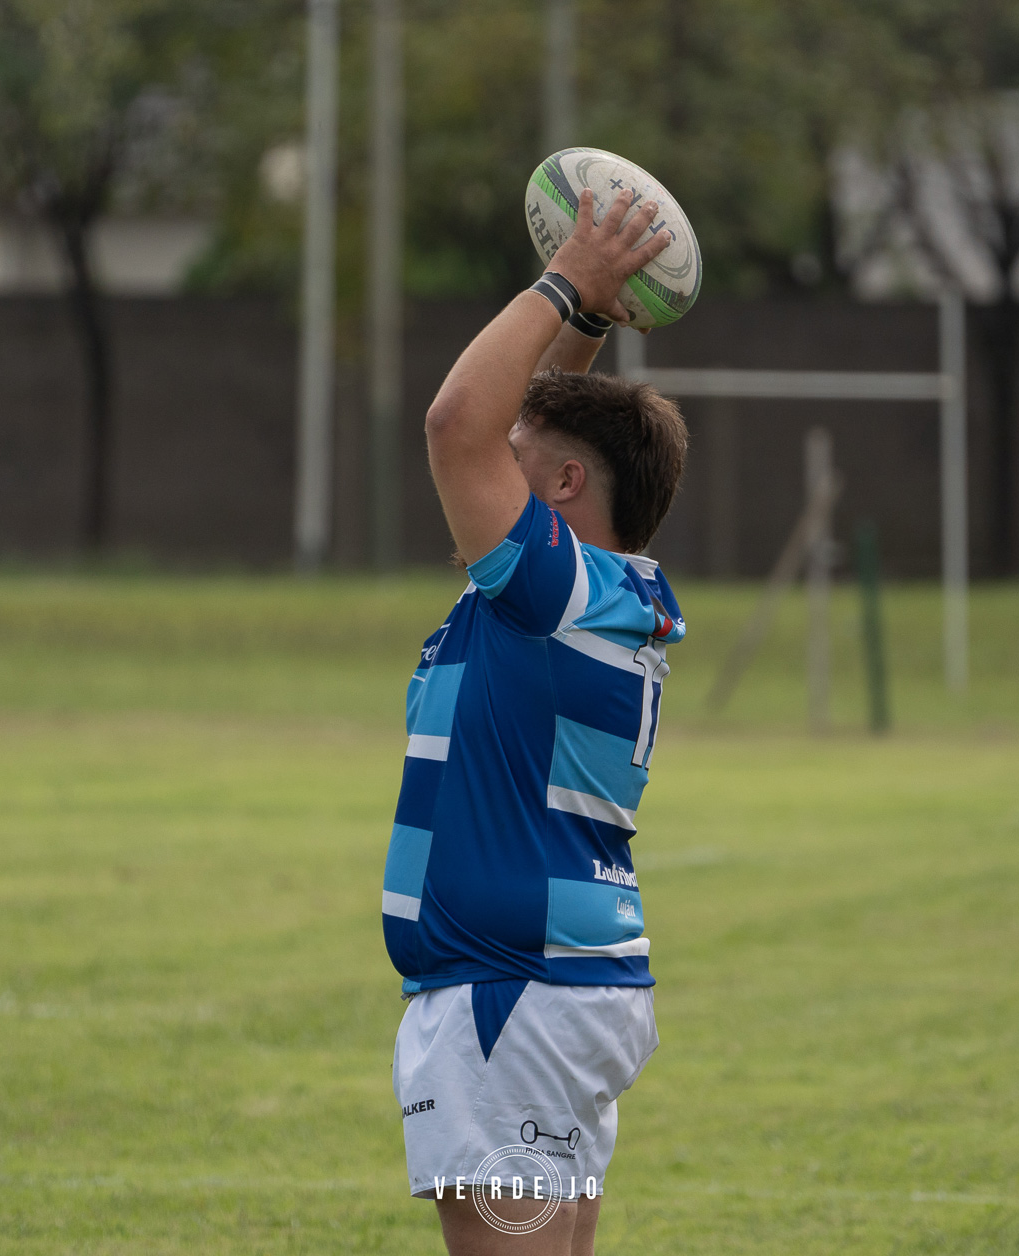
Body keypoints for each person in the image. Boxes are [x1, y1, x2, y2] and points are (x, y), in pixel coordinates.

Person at [381, 186, 688, 1255]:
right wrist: (589, 322)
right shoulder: (594, 593)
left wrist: (566, 280)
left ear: (561, 487)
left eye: (519, 450)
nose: (486, 456)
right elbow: (526, 433)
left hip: (509, 998)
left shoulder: (549, 590)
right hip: (566, 989)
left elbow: (451, 422)